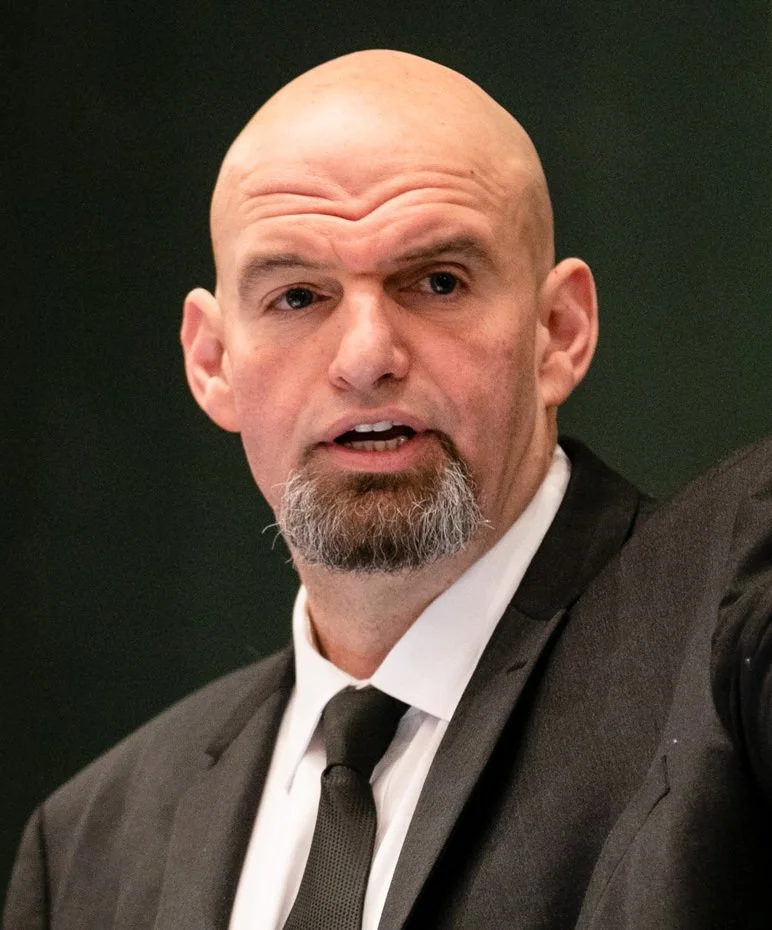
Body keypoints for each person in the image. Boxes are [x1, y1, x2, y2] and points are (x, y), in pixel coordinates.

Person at [5, 49, 772, 930]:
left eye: (437, 282)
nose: (366, 357)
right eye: (298, 296)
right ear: (213, 362)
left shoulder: (733, 609)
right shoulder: (86, 850)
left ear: (558, 332)